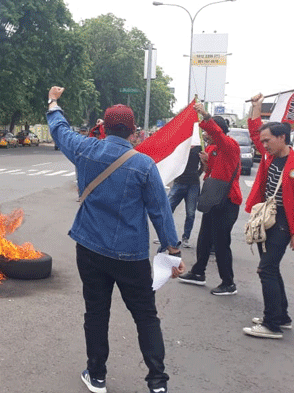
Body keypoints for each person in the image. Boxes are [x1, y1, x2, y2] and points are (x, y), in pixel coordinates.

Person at [47, 86, 184, 393]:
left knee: (96, 312)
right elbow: (161, 213)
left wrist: (53, 102)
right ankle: (157, 382)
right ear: (134, 131)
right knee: (146, 316)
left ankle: (96, 376)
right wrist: (172, 252)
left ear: (104, 128)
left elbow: (60, 130)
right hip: (130, 255)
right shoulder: (144, 164)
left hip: (90, 248)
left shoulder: (85, 149)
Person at [241, 93, 294, 339]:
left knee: (265, 270)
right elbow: (256, 131)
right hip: (268, 220)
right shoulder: (269, 156)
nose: (263, 145)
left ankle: (271, 325)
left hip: (283, 224)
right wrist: (256, 108)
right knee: (272, 269)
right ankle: (281, 316)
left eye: (268, 141)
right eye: (262, 142)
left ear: (281, 138)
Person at [178, 103, 241, 296]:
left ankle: (228, 282)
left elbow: (218, 136)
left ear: (218, 130)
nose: (206, 135)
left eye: (209, 131)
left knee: (221, 243)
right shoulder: (213, 148)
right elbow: (210, 173)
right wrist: (206, 163)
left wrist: (205, 115)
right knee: (204, 238)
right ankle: (198, 272)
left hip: (227, 201)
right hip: (214, 199)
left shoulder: (230, 146)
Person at [154, 145, 203, 248]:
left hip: (193, 184)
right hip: (179, 183)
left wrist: (197, 174)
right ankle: (163, 236)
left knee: (190, 213)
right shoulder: (181, 145)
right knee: (167, 209)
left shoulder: (199, 147)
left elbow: (203, 165)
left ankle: (186, 238)